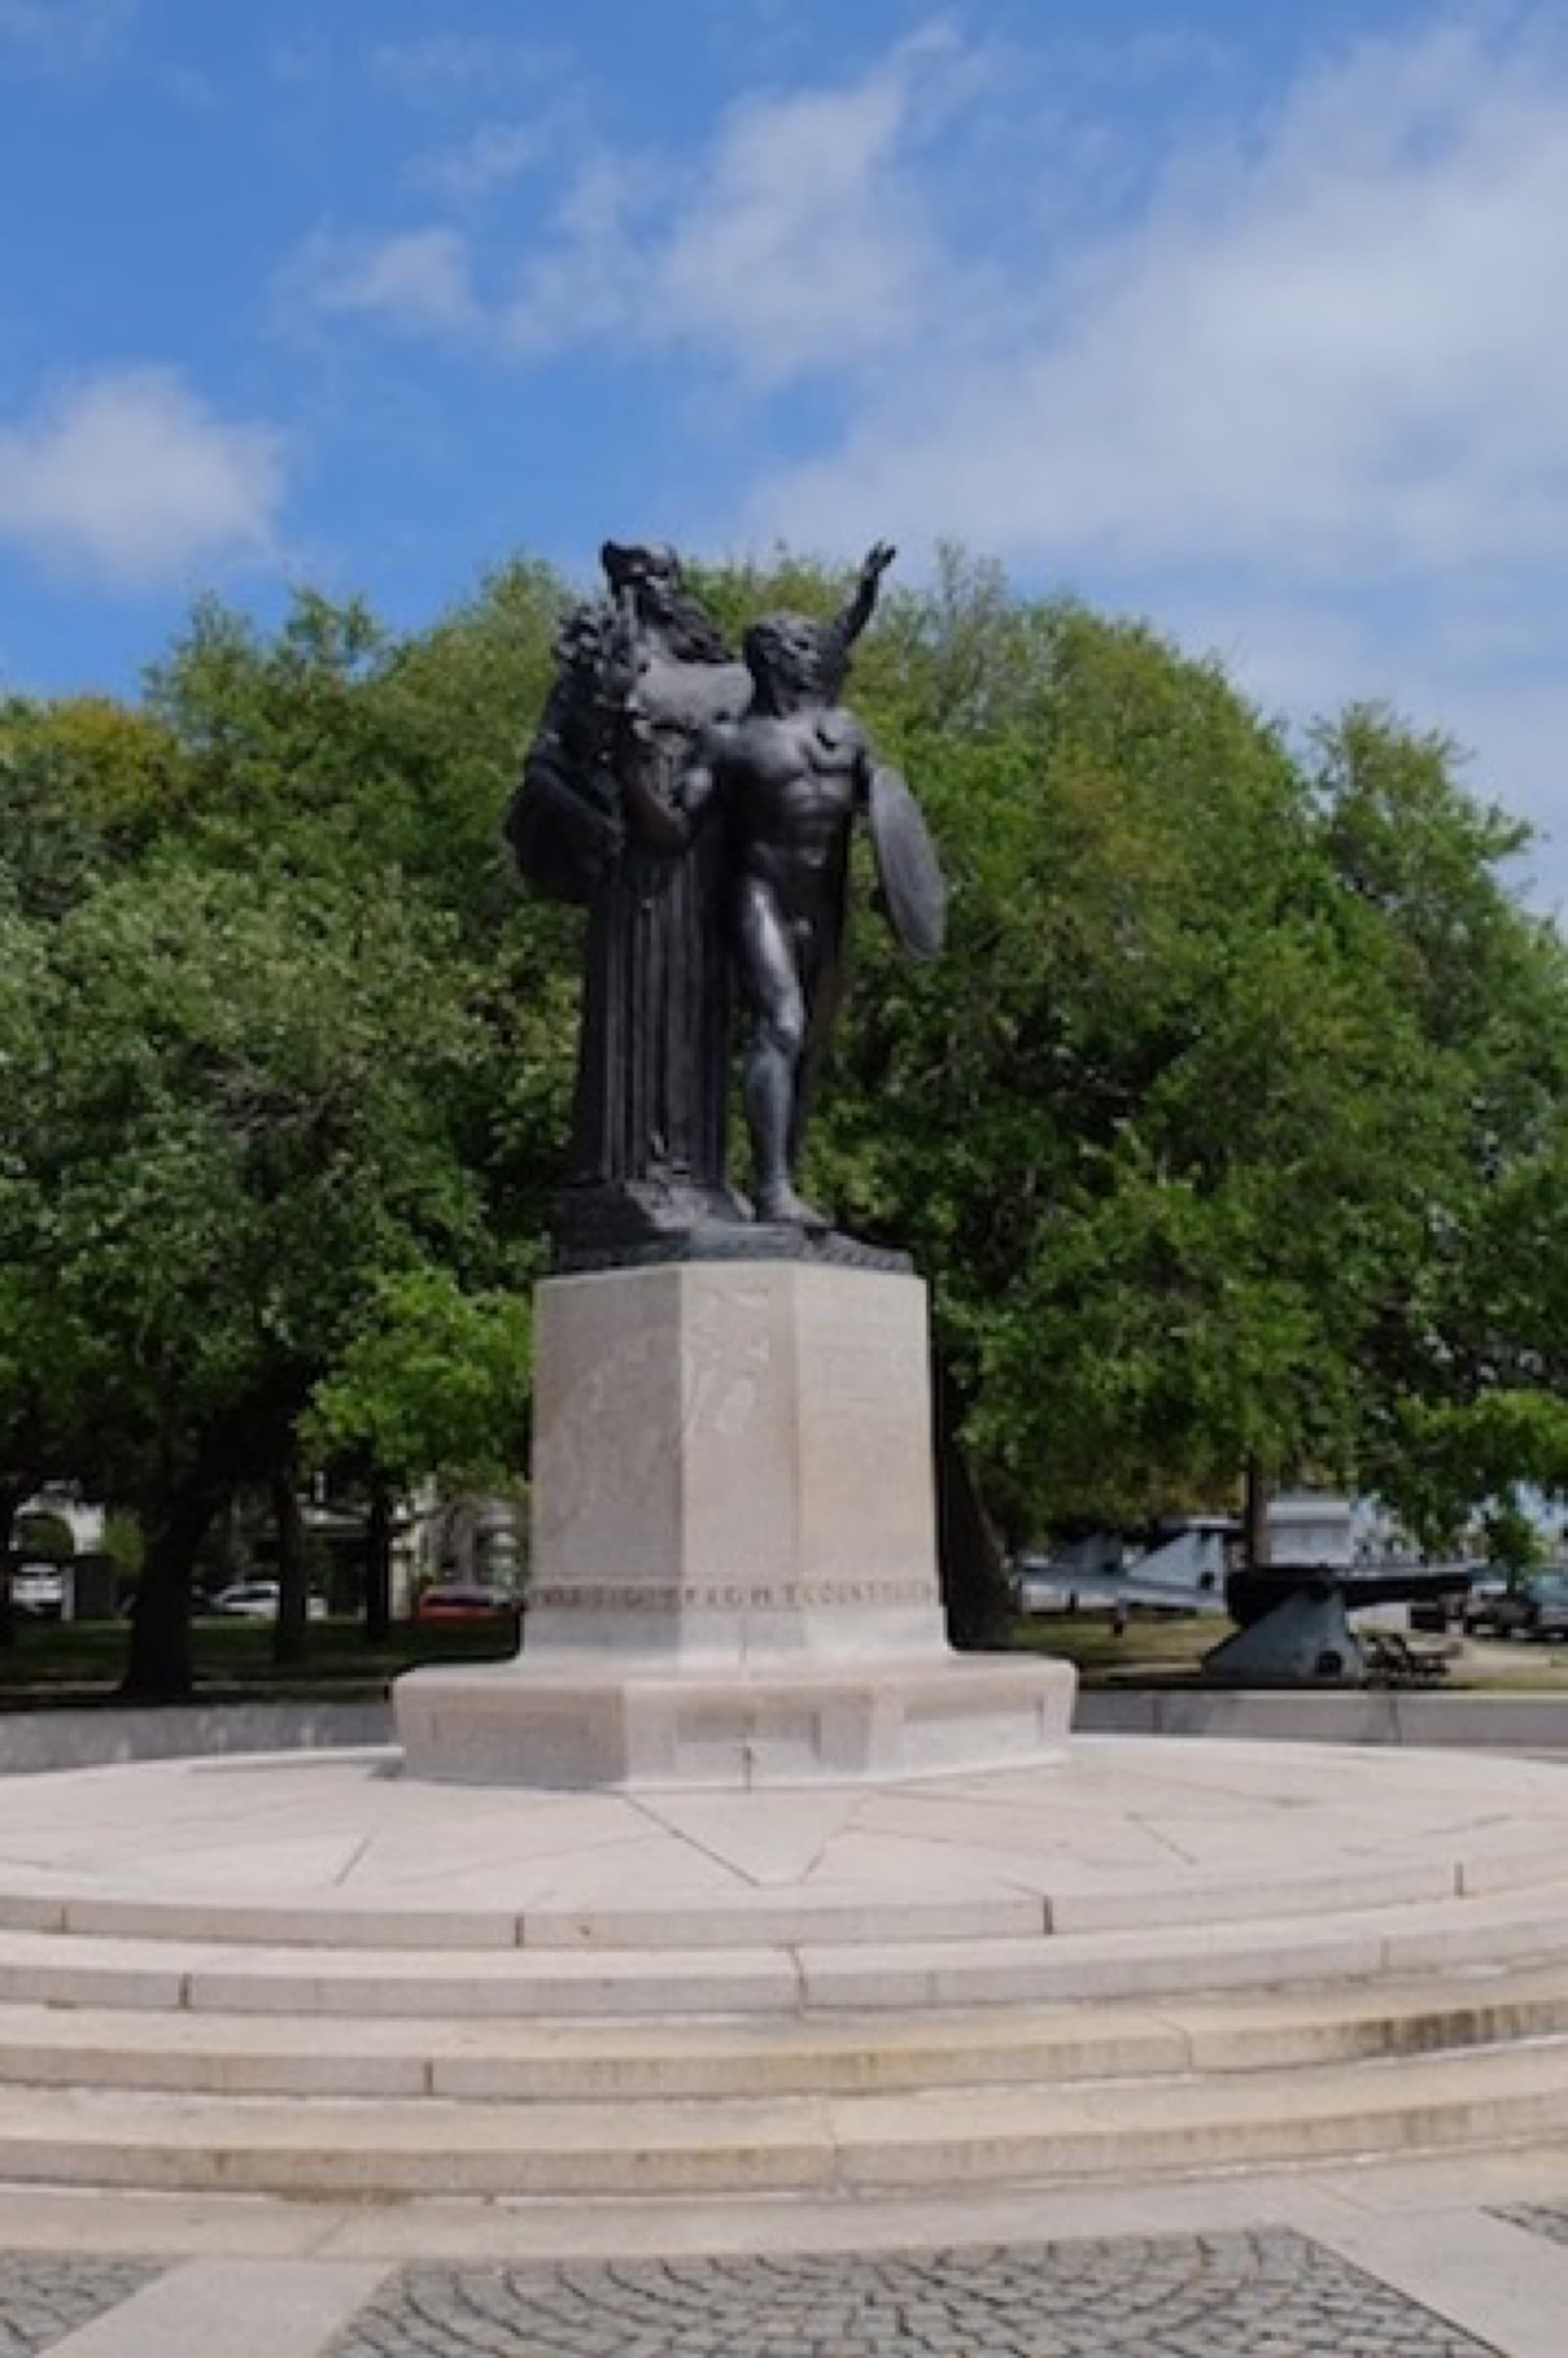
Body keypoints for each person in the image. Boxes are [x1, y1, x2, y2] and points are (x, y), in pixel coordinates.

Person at [508, 546, 751, 1260]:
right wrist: (584, 818)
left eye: (658, 580)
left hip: (703, 867)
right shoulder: (598, 671)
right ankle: (625, 1177)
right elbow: (542, 763)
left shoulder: (727, 680)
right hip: (630, 869)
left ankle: (699, 1173)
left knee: (697, 1017)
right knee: (636, 1016)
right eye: (634, 583)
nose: (648, 594)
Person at [695, 543, 943, 1229]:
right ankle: (771, 1187)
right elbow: (683, 816)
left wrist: (893, 890)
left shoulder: (847, 734)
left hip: (826, 907)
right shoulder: (732, 743)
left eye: (814, 646)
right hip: (760, 899)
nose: (816, 655)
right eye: (801, 647)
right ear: (775, 659)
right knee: (781, 1025)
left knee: (810, 1053)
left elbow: (890, 819)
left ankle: (784, 1179)